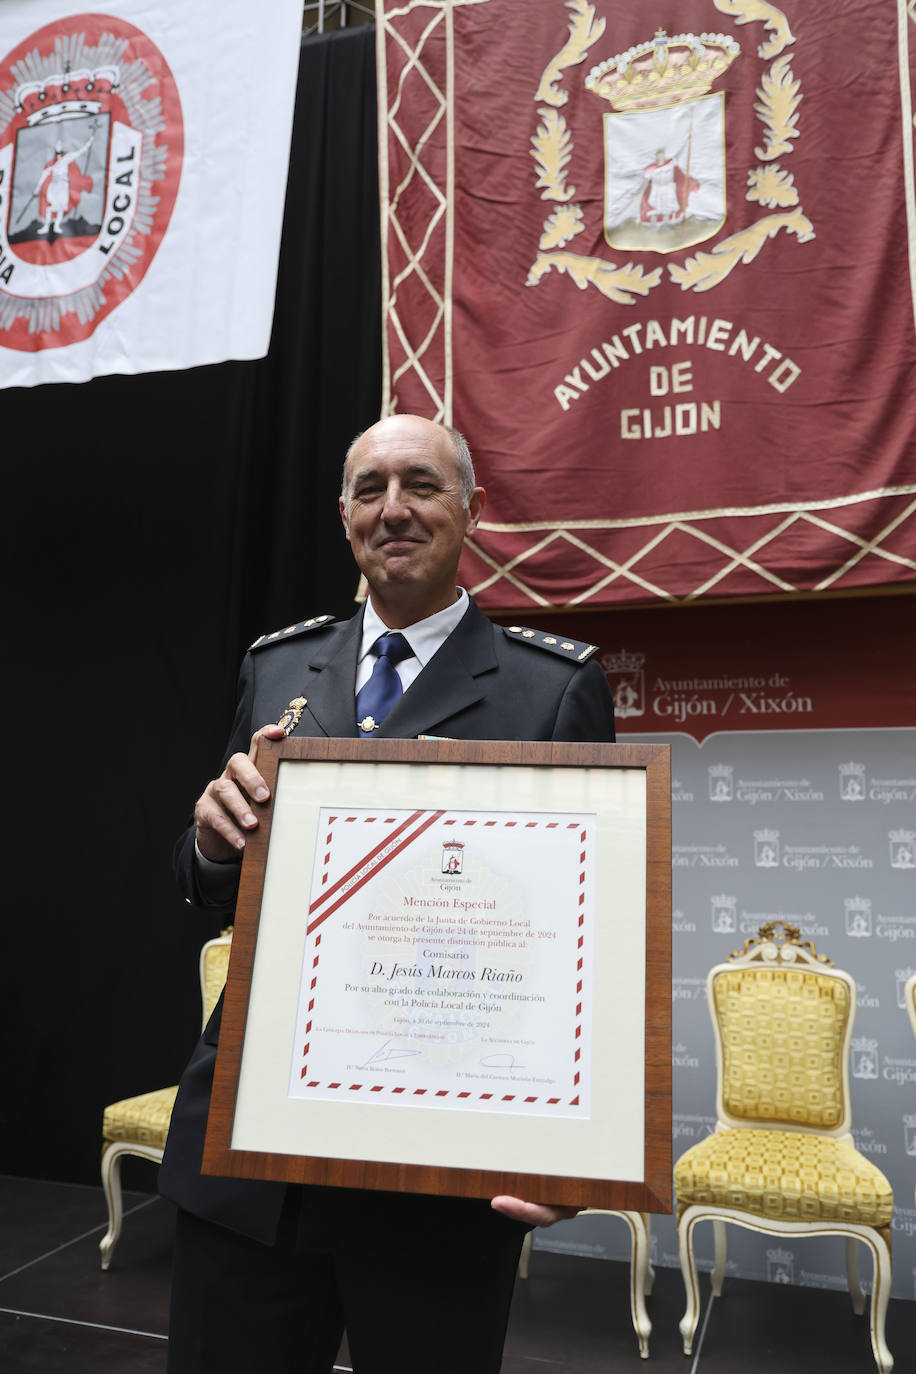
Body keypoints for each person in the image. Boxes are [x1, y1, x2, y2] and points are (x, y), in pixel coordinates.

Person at [160, 414, 616, 1373]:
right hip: (249, 1156)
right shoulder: (277, 665)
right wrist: (208, 844)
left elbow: (586, 940)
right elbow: (222, 880)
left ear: (472, 510)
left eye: (421, 485)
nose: (394, 509)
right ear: (343, 515)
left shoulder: (551, 688)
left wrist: (583, 1148)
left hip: (436, 1176)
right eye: (370, 490)